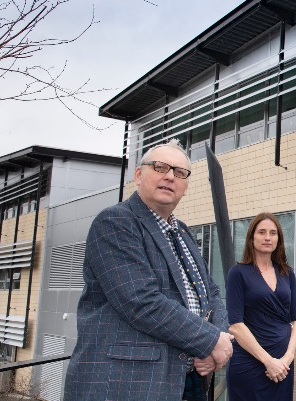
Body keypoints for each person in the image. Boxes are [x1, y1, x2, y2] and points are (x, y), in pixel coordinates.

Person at [65, 139, 233, 401]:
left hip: (188, 378)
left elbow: (210, 292)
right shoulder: (115, 222)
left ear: (186, 187)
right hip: (131, 382)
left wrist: (219, 339)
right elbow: (140, 301)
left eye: (180, 173)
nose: (170, 176)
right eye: (160, 167)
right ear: (138, 175)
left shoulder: (182, 231)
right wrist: (210, 340)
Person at [226, 212, 296, 400]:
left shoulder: (287, 273)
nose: (268, 237)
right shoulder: (237, 273)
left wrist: (287, 358)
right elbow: (235, 325)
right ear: (251, 238)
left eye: (273, 233)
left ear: (279, 239)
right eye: (261, 232)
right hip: (249, 363)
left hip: (283, 366)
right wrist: (268, 361)